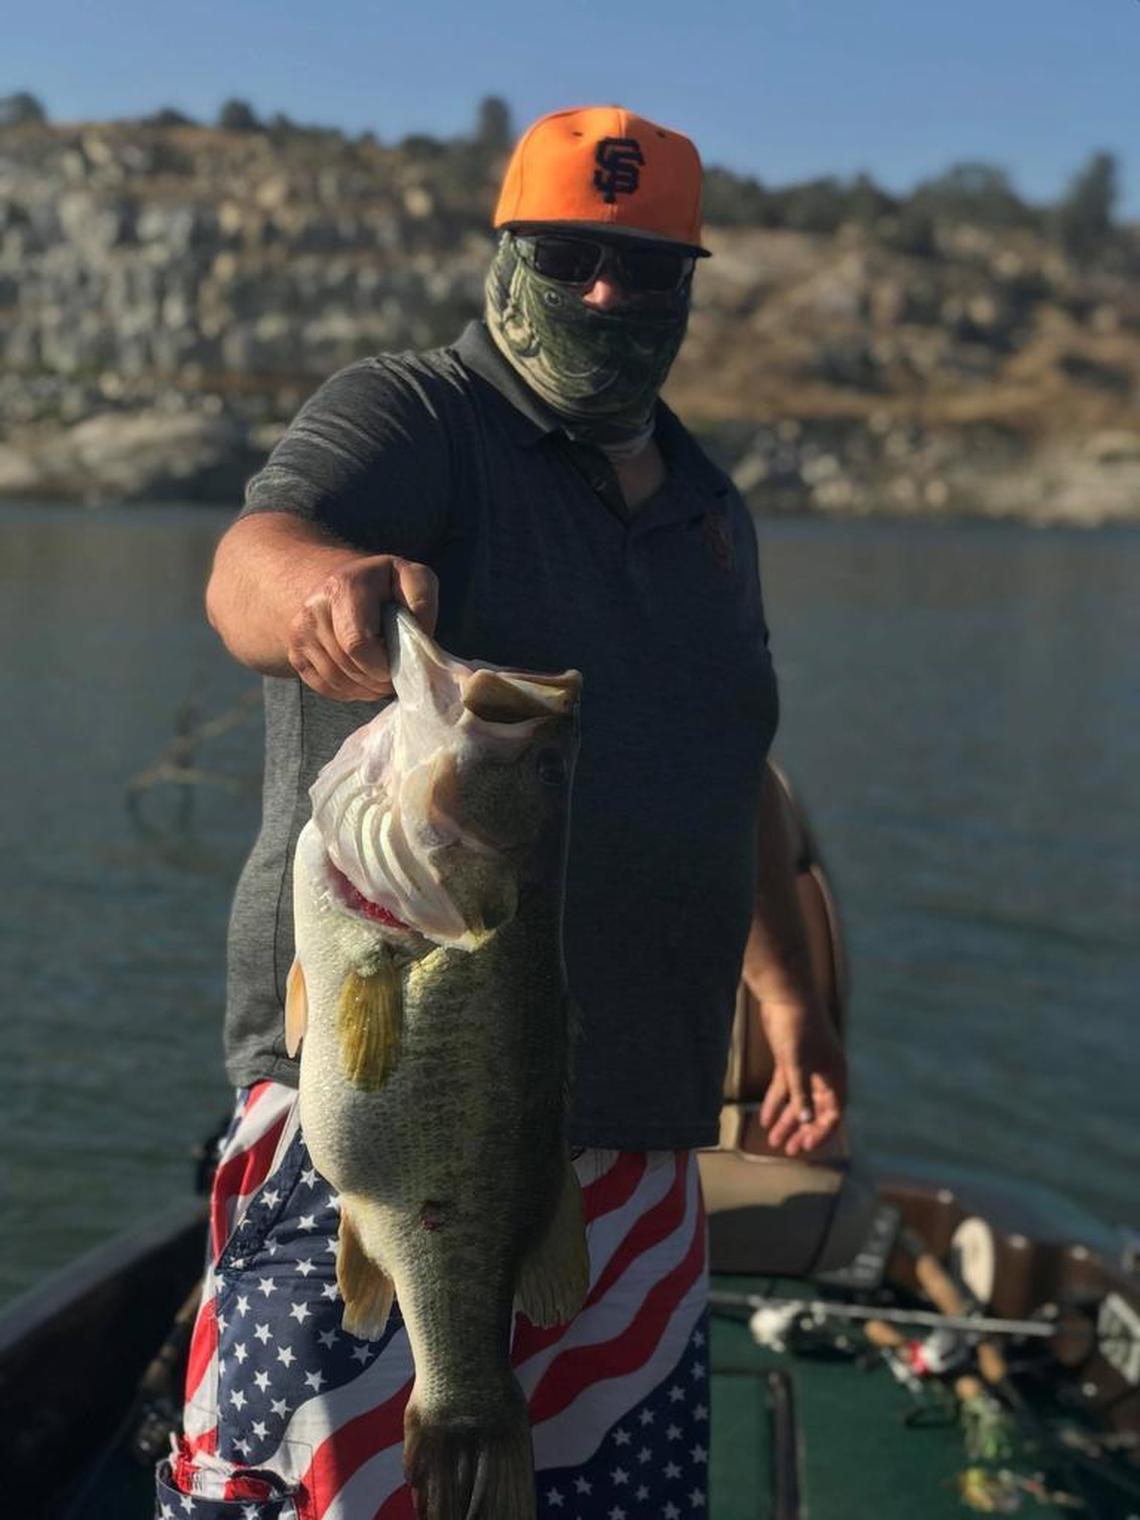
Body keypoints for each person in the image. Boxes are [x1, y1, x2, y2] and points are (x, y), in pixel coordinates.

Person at [161, 105, 846, 1519]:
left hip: (644, 1151)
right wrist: (315, 602)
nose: (606, 291)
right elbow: (249, 559)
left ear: (687, 288)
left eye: (646, 269)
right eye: (569, 253)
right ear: (506, 254)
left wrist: (790, 1003)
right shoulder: (415, 415)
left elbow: (735, 771)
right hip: (367, 1136)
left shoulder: (716, 510)